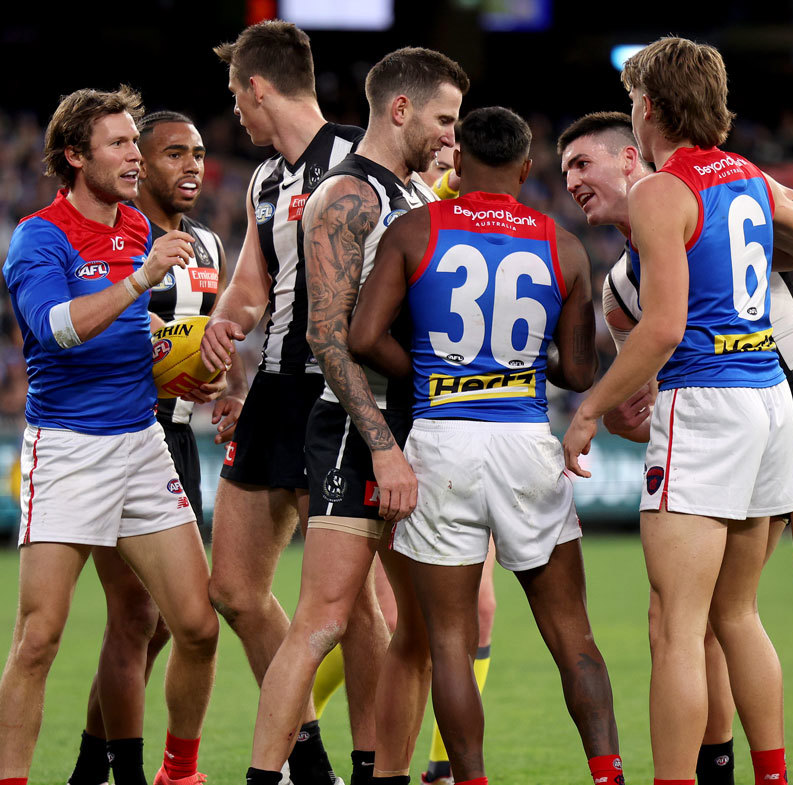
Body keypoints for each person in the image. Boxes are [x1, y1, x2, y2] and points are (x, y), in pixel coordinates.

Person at [559, 110, 793, 785]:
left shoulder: (729, 184)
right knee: (704, 612)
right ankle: (728, 770)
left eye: (582, 163)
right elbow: (650, 405)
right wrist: (622, 413)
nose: (572, 181)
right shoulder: (620, 287)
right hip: (742, 414)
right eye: (564, 172)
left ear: (628, 157)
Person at [560, 38, 793, 785]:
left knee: (679, 627)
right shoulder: (747, 178)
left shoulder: (660, 190)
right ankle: (771, 775)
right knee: (738, 614)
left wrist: (589, 410)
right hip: (769, 398)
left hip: (706, 399)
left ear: (647, 108)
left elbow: (663, 327)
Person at [349, 105, 622, 785]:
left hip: (442, 443)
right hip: (528, 441)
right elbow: (582, 370)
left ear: (460, 163)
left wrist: (438, 369)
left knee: (448, 640)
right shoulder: (562, 245)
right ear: (527, 169)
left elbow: (360, 338)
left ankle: (468, 780)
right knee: (573, 634)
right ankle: (610, 774)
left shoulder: (413, 230)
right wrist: (522, 365)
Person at [244, 47, 469, 785]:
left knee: (417, 630)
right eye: (443, 120)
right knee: (321, 622)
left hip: (413, 427)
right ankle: (267, 777)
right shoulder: (349, 195)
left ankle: (382, 774)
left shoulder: (410, 197)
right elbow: (326, 337)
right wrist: (382, 448)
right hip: (354, 430)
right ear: (400, 110)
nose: (450, 137)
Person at [0, 85, 218, 785]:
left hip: (141, 444)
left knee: (197, 625)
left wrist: (186, 354)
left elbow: (132, 328)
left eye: (133, 142)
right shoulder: (40, 236)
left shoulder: (134, 228)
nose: (133, 154)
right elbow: (57, 328)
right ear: (73, 155)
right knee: (40, 638)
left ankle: (175, 771)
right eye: (119, 144)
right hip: (67, 449)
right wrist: (140, 282)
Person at [196, 21, 375, 783]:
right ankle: (309, 756)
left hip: (336, 392)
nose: (234, 111)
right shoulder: (265, 180)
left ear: (258, 87)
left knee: (354, 609)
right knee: (235, 589)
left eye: (236, 94)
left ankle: (375, 764)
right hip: (272, 387)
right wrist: (221, 333)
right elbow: (249, 286)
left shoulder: (362, 163)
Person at [310, 141, 500, 785]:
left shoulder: (438, 199)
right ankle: (304, 721)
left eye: (457, 130)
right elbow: (346, 334)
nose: (448, 140)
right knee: (388, 616)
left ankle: (443, 766)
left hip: (460, 425)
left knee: (471, 611)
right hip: (420, 419)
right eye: (443, 123)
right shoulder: (389, 201)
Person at [62, 110, 230, 785]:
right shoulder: (116, 245)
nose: (191, 166)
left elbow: (214, 340)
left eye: (198, 152)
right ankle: (130, 772)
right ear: (139, 165)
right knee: (135, 617)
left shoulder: (211, 247)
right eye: (172, 154)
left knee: (162, 626)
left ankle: (86, 766)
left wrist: (228, 382)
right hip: (125, 431)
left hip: (182, 439)